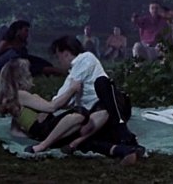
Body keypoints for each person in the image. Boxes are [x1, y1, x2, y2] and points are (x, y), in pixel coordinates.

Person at [49, 35, 144, 164]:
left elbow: (60, 100)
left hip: (113, 106)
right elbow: (60, 100)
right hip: (98, 117)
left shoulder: (85, 59)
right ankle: (125, 149)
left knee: (102, 85)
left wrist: (55, 102)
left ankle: (122, 132)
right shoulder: (73, 75)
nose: (58, 61)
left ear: (65, 53)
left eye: (58, 56)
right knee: (89, 135)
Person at [0, 59, 85, 153]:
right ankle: (45, 144)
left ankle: (57, 140)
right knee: (80, 113)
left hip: (40, 130)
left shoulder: (11, 98)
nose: (31, 77)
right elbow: (52, 107)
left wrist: (30, 135)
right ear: (21, 78)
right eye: (29, 75)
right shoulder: (21, 95)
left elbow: (15, 130)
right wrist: (72, 89)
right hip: (43, 128)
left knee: (80, 125)